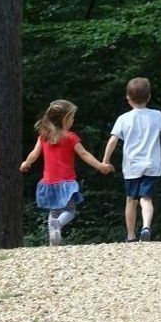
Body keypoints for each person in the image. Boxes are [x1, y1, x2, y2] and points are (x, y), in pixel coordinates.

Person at [102, 77, 161, 242]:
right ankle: (146, 226)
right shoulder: (156, 116)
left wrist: (105, 161)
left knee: (131, 200)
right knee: (146, 198)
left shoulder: (123, 119)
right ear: (149, 97)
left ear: (128, 98)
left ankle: (130, 236)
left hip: (131, 166)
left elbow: (113, 141)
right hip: (152, 165)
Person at [20, 99, 114, 246]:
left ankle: (54, 244)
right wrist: (100, 166)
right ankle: (58, 226)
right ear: (64, 119)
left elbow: (34, 153)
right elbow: (84, 155)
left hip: (49, 182)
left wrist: (27, 162)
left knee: (54, 212)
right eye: (71, 117)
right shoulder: (70, 137)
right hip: (66, 182)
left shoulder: (44, 136)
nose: (73, 120)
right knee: (69, 211)